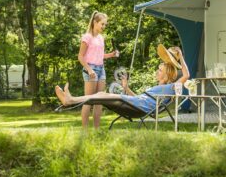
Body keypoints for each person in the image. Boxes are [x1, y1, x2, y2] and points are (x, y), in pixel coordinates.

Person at [57, 45, 189, 117]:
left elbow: (186, 75)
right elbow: (138, 98)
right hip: (137, 104)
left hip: (140, 107)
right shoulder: (156, 89)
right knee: (101, 96)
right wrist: (126, 87)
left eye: (160, 70)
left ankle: (70, 100)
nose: (156, 71)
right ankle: (70, 100)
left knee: (102, 95)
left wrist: (181, 56)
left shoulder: (171, 87)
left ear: (166, 76)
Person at [77, 11, 120, 129]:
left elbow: (100, 56)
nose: (104, 27)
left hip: (101, 69)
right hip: (91, 69)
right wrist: (89, 70)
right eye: (102, 24)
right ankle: (85, 131)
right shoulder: (87, 37)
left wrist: (111, 54)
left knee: (99, 101)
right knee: (89, 100)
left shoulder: (101, 38)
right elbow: (80, 56)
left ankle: (97, 130)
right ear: (95, 22)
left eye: (105, 24)